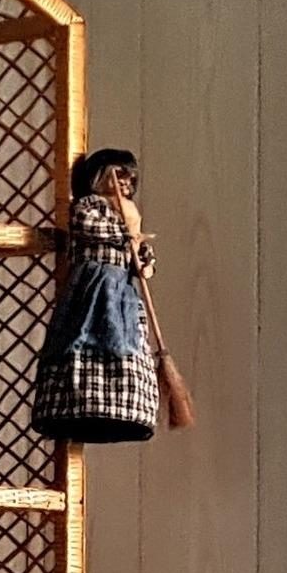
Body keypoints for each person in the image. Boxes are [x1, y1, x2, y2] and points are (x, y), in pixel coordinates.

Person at [32, 148, 163, 442]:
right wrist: (125, 232)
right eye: (119, 175)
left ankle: (122, 407)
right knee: (81, 335)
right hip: (92, 285)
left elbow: (137, 253)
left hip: (121, 292)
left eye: (130, 179)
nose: (124, 183)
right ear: (98, 176)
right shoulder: (90, 205)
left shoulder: (128, 212)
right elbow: (85, 225)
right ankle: (74, 403)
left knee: (124, 340)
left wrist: (144, 259)